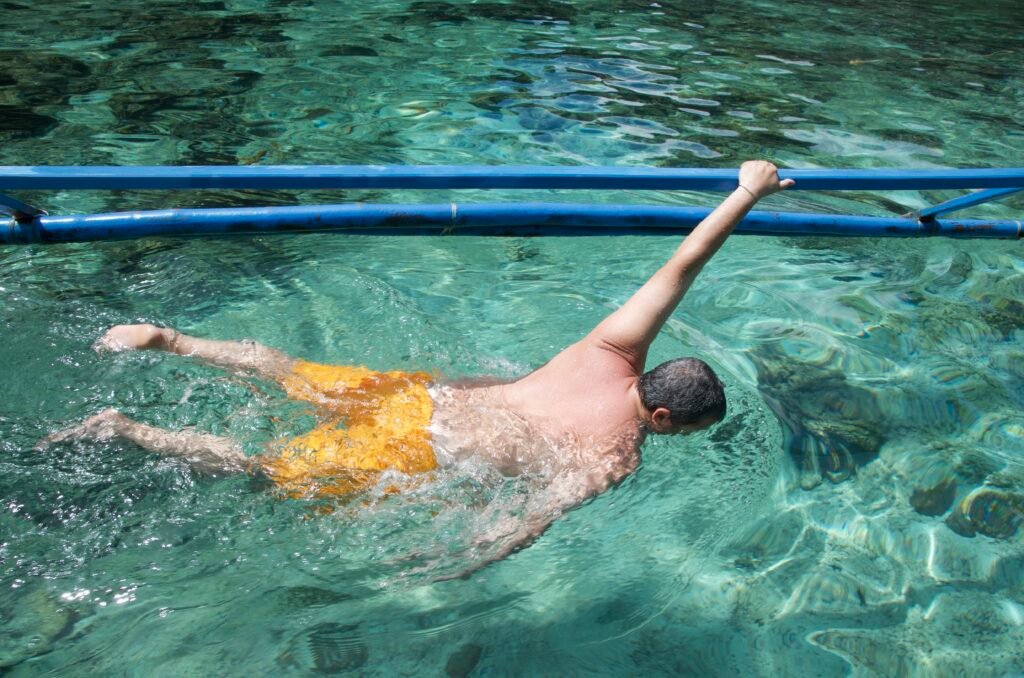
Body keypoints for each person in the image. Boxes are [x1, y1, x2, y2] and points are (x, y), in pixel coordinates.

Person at [42, 161, 793, 570]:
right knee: (263, 471)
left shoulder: (607, 351)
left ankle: (170, 340)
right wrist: (472, 556)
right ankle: (124, 428)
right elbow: (539, 512)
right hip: (418, 449)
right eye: (686, 431)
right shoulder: (619, 453)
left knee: (289, 371)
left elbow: (682, 264)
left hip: (422, 396)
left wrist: (746, 191)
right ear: (662, 415)